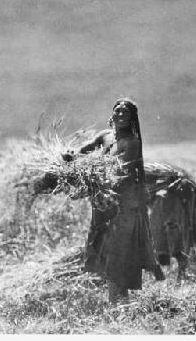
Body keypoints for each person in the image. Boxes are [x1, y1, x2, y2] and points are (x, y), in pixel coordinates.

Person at [62, 98, 164, 303]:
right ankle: (117, 303)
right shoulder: (105, 136)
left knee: (119, 252)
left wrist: (92, 168)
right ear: (112, 114)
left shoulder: (132, 143)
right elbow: (84, 150)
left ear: (132, 119)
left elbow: (120, 170)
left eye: (125, 113)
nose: (120, 115)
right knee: (106, 251)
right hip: (104, 204)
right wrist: (71, 156)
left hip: (124, 205)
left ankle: (120, 304)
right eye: (117, 111)